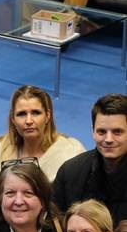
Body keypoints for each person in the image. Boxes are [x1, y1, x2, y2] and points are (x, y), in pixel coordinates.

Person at [0, 85, 84, 216]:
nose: (29, 121)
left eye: (36, 113)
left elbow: (80, 208)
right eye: (21, 114)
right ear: (13, 119)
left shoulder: (70, 155)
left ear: (47, 115)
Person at [53, 94, 127, 225]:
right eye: (101, 132)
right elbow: (56, 226)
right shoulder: (69, 173)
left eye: (117, 132)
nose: (108, 139)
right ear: (93, 131)